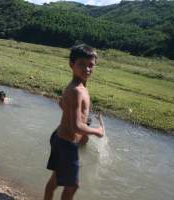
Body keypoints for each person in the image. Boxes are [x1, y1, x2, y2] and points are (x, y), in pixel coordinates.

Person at [44, 44, 105, 200]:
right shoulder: (77, 90)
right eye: (81, 64)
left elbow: (62, 103)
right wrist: (97, 131)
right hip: (66, 143)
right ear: (71, 64)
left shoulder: (80, 86)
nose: (87, 69)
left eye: (91, 65)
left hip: (61, 139)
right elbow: (77, 126)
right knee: (72, 186)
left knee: (56, 180)